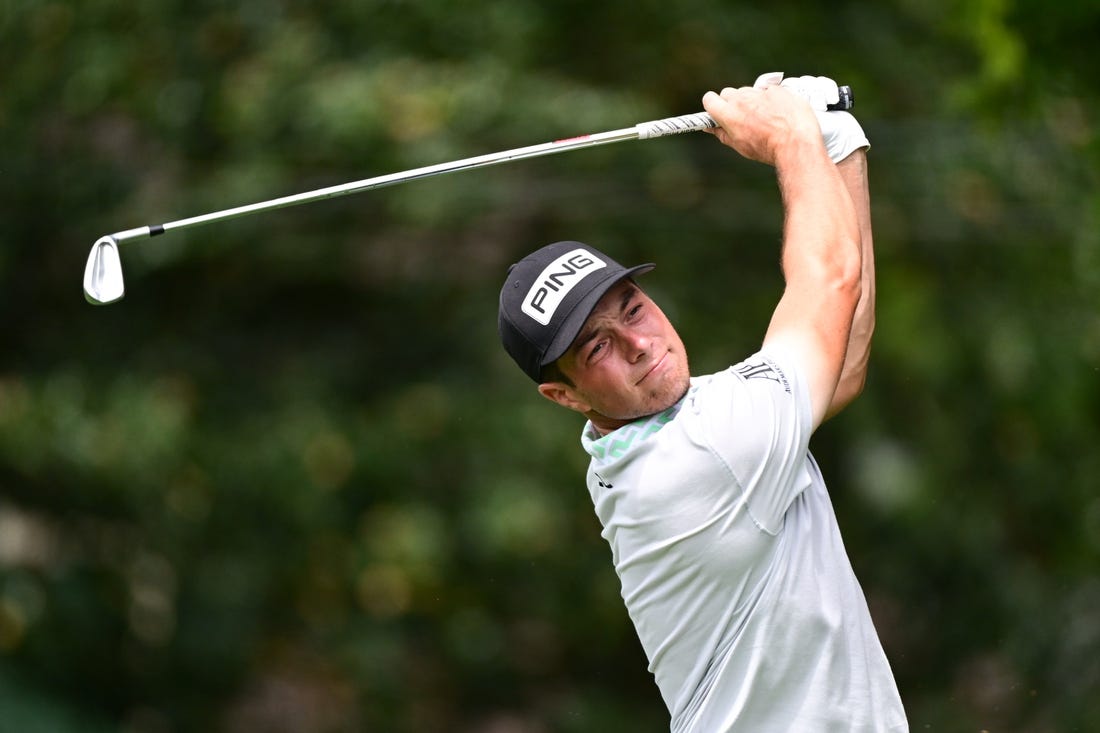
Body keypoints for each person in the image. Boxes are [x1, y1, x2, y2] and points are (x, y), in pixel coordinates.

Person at [497, 74, 907, 732]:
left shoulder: (674, 428)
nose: (637, 342)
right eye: (596, 347)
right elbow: (829, 277)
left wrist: (833, 139)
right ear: (562, 395)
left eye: (632, 308)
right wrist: (790, 136)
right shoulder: (703, 455)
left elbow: (843, 363)